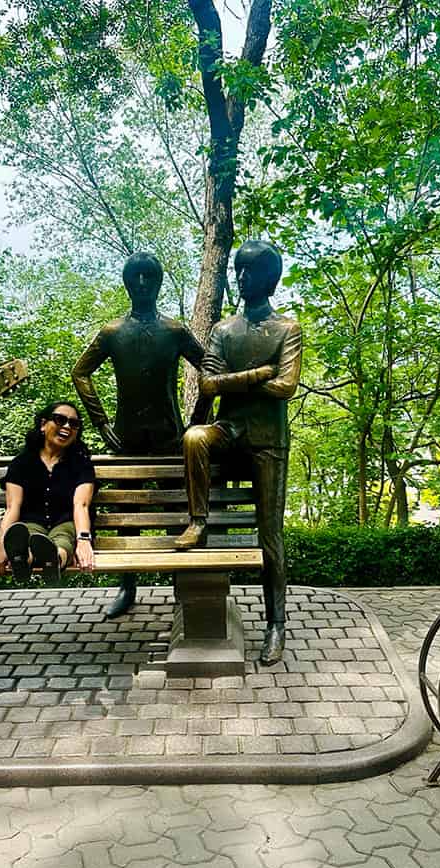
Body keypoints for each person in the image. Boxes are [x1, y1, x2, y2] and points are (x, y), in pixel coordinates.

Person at [175, 240, 302, 666]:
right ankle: (197, 521)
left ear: (269, 277)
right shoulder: (223, 330)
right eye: (238, 269)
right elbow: (209, 384)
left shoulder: (288, 329)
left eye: (250, 270)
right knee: (194, 438)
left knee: (271, 536)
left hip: (268, 439)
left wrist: (241, 379)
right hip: (229, 429)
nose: (241, 277)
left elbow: (287, 387)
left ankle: (276, 624)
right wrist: (261, 373)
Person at [71, 251, 210, 619]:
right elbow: (80, 372)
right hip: (127, 437)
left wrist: (197, 421)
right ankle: (126, 585)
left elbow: (211, 369)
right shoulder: (113, 332)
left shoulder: (175, 330)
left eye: (150, 276)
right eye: (136, 277)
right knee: (125, 513)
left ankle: (185, 583)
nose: (143, 283)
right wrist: (100, 422)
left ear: (159, 281)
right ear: (127, 282)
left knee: (179, 510)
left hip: (169, 437)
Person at [0, 402, 97, 583]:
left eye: (74, 424)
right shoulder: (22, 463)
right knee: (26, 536)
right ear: (43, 424)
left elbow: (81, 504)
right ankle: (22, 559)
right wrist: (0, 544)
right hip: (32, 522)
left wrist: (84, 540)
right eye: (60, 420)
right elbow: (13, 506)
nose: (67, 427)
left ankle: (54, 560)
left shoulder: (81, 464)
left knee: (64, 539)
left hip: (67, 522)